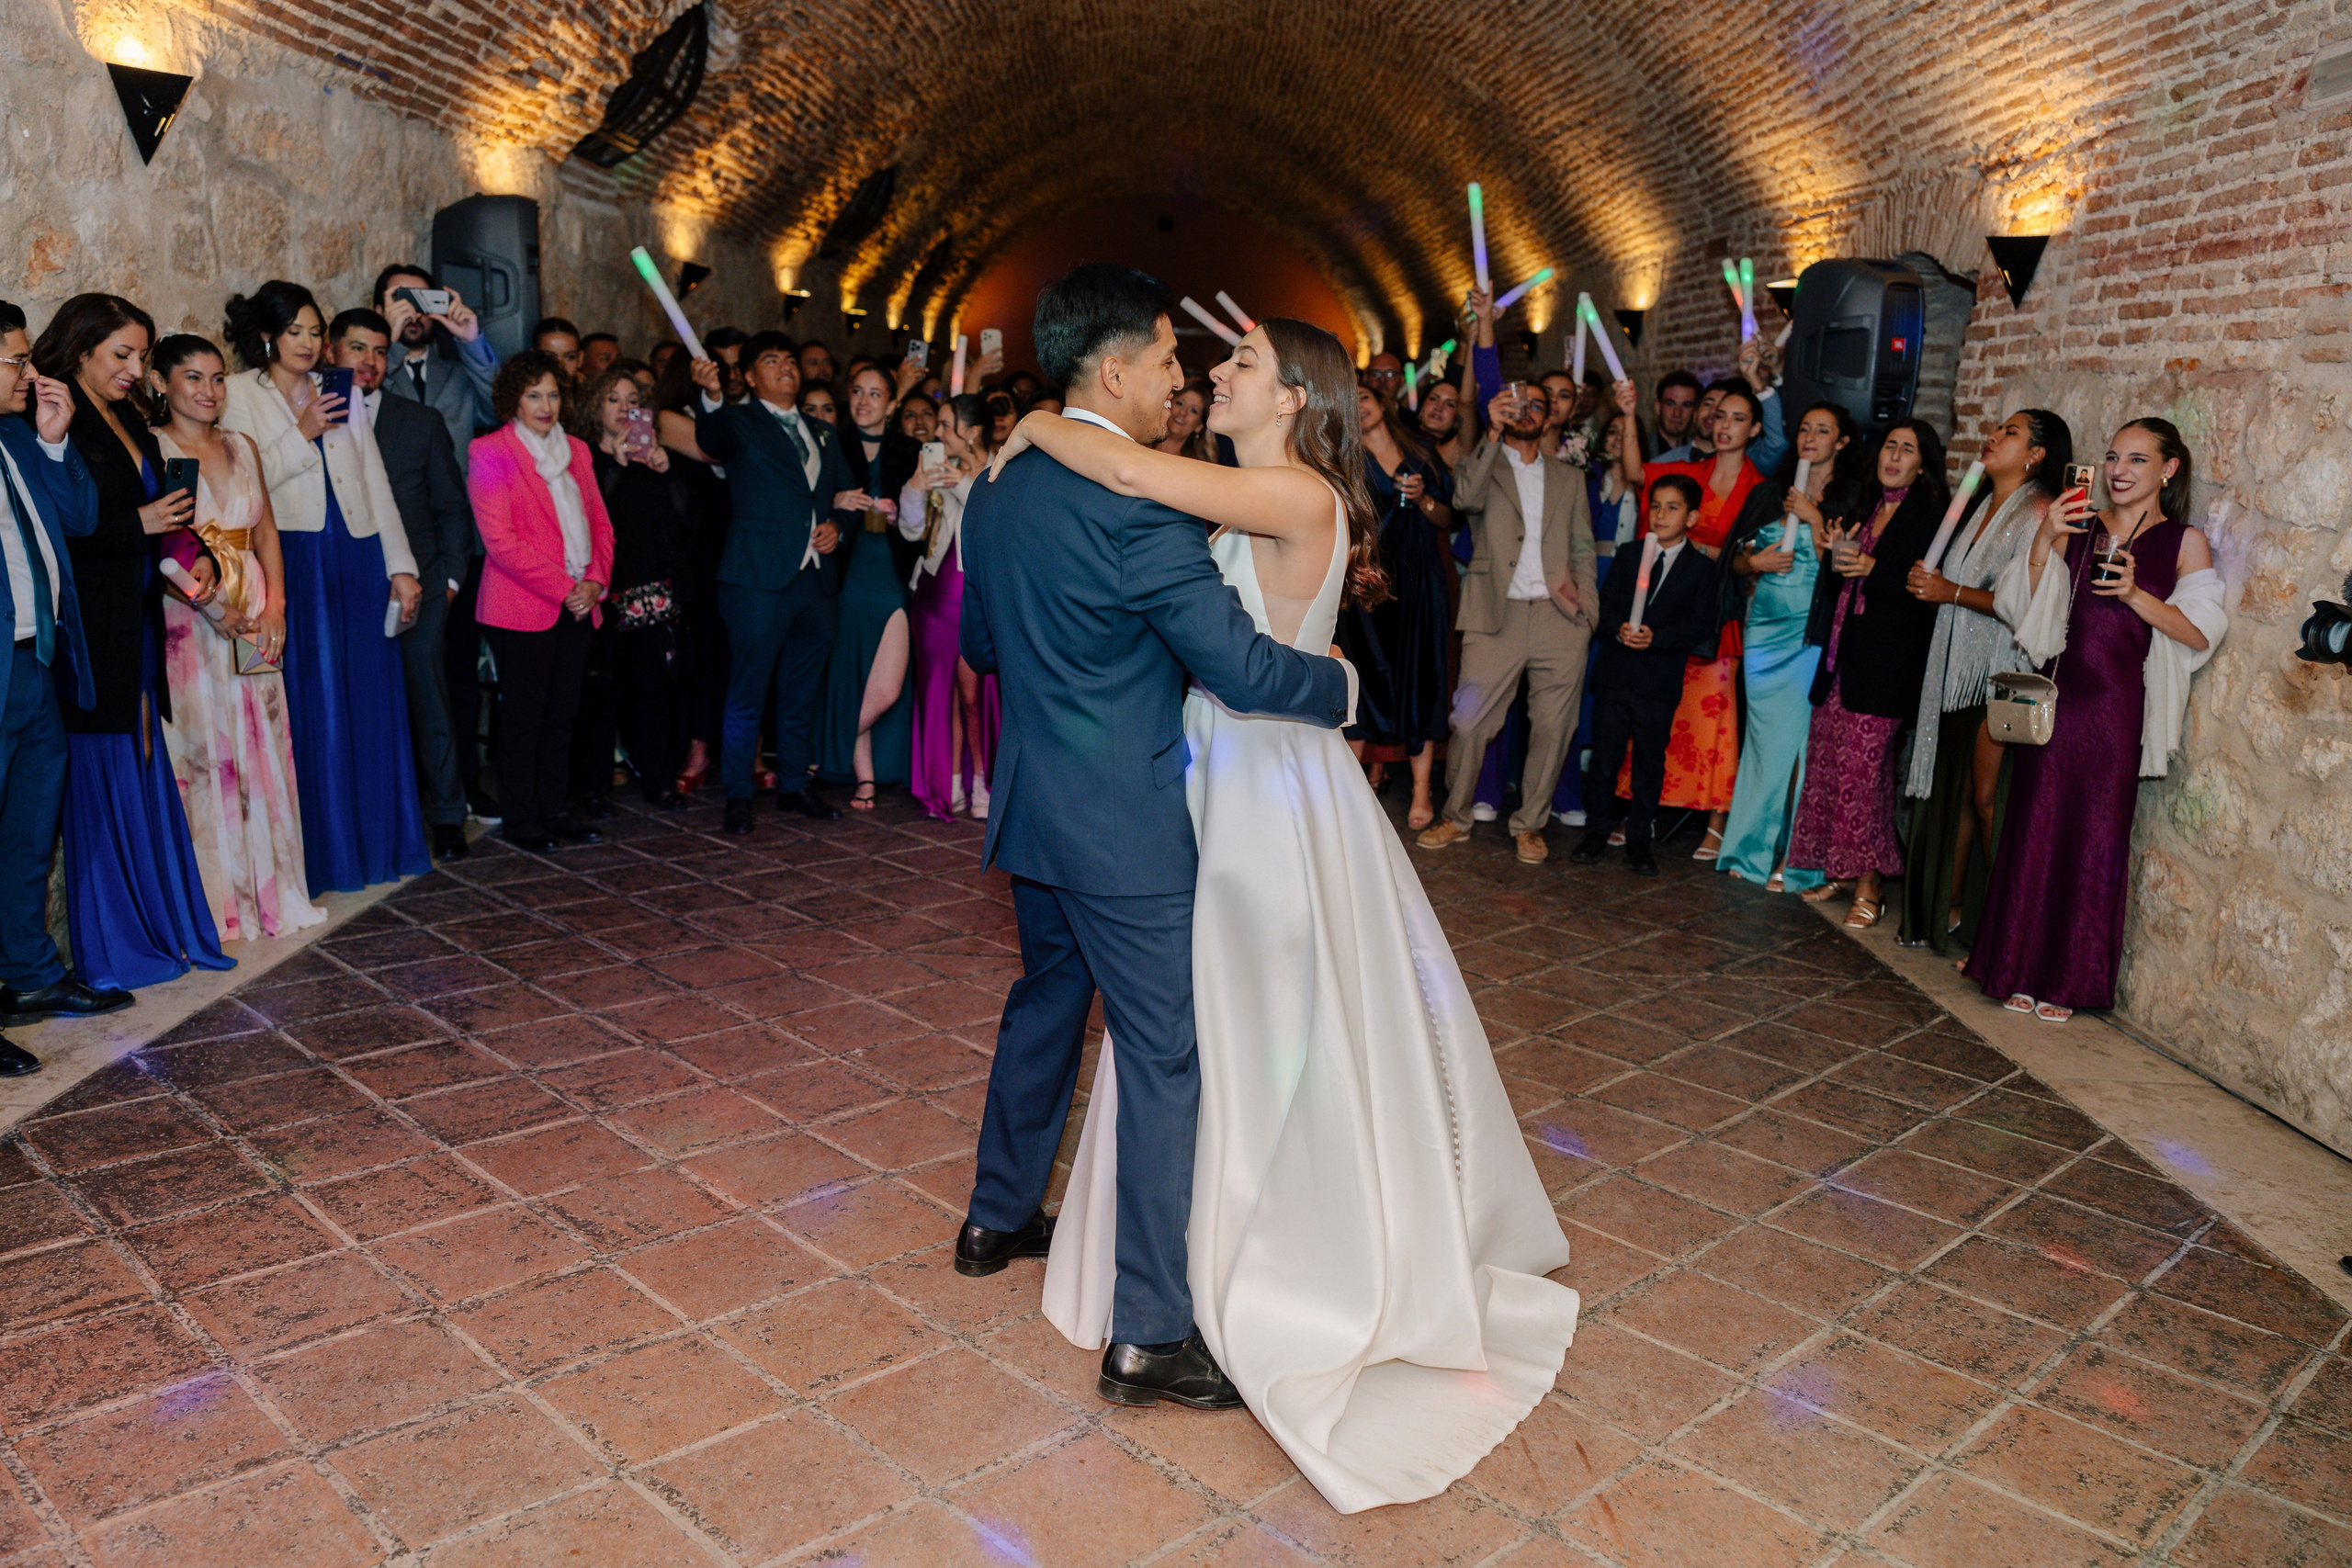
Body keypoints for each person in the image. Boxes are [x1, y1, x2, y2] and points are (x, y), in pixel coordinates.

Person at [983, 276, 1575, 1513]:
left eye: (1238, 364)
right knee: (1192, 1034)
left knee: (1241, 1018)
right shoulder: (1190, 483)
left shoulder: (1270, 490)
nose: (1202, 380)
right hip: (1194, 783)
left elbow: (1134, 526)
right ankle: (1169, 1290)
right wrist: (1059, 424)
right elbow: (1186, 587)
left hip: (1256, 789)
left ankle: (1257, 1252)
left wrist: (1041, 428)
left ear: (1294, 395)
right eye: (1182, 362)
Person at [1967, 419, 2223, 1021]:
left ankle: (2069, 981)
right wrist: (2043, 539)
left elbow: (2200, 632)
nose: (2119, 470)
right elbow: (2019, 606)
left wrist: (2136, 594)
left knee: (2094, 843)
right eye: (2112, 457)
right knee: (2031, 830)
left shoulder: (2185, 542)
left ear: (2168, 469)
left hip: (2114, 711)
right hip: (2056, 702)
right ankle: (2014, 969)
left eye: (2137, 459)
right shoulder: (2077, 522)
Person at [39, 294, 232, 989]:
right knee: (103, 773)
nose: (134, 368)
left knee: (143, 758)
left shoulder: (129, 419)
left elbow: (162, 513)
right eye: (122, 353)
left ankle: (162, 925)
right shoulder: (54, 425)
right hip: (89, 627)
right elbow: (64, 535)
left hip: (139, 617)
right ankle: (118, 944)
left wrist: (193, 550)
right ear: (81, 348)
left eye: (141, 355)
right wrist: (144, 525)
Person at [222, 280, 429, 895]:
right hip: (293, 555)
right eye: (296, 332)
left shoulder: (342, 387)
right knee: (310, 701)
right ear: (267, 337)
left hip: (358, 552)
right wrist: (302, 431)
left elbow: (373, 476)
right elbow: (241, 480)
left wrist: (402, 564)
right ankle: (323, 854)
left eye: (316, 332)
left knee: (368, 697)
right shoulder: (237, 395)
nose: (310, 343)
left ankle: (377, 843)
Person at [151, 334, 322, 939]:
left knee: (264, 744)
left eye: (218, 378)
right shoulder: (155, 450)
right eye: (193, 378)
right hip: (192, 619)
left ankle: (273, 889)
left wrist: (275, 606)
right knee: (209, 754)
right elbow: (160, 551)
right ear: (160, 383)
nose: (208, 390)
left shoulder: (241, 444)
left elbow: (268, 533)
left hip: (253, 611)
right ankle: (222, 901)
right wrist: (209, 605)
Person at [0, 299, 124, 1071]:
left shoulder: (19, 434)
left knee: (26, 833)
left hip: (36, 661)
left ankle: (31, 976)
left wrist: (52, 441)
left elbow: (80, 516)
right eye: (16, 360)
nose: (30, 371)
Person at [1898, 410, 2071, 948]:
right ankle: (1949, 912)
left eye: (2011, 432)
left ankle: (2004, 929)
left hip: (2005, 671)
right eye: (1996, 429)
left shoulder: (2041, 511)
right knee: (1957, 794)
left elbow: (2032, 607)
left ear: (2038, 454)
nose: (1993, 437)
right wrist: (1931, 586)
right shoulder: (1976, 510)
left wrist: (1947, 591)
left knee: (1989, 797)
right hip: (1955, 668)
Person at [692, 332, 875, 830]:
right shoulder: (739, 421)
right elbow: (711, 440)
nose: (787, 368)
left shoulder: (822, 431)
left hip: (815, 583)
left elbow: (846, 495)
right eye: (772, 361)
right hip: (757, 578)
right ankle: (737, 793)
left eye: (791, 360)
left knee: (801, 692)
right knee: (748, 690)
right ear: (750, 377)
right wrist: (710, 397)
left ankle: (794, 786)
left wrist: (840, 527)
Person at [1419, 376, 1599, 863]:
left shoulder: (1568, 477)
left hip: (1559, 620)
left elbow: (1583, 547)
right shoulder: (1484, 463)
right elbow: (1463, 500)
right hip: (1493, 616)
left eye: (1537, 406)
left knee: (1554, 727)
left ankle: (1531, 824)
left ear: (1549, 418)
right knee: (1470, 722)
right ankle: (1455, 817)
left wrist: (1587, 613)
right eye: (1518, 403)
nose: (1528, 411)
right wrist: (1491, 433)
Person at [1785, 419, 1950, 927]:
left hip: (1885, 669)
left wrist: (1872, 571)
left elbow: (1926, 596)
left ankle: (1870, 884)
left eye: (1908, 449)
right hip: (1841, 660)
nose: (1894, 456)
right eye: (1890, 447)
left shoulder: (1930, 517)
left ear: (1923, 463)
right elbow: (1843, 577)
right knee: (1831, 769)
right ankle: (1839, 869)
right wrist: (1834, 551)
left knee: (1865, 776)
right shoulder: (1867, 506)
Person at [329, 310, 473, 862]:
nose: (368, 362)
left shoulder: (420, 421)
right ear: (332, 354)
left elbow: (451, 508)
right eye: (357, 349)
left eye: (378, 351)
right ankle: (370, 816)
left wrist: (452, 579)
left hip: (424, 586)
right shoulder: (313, 418)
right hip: (347, 586)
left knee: (428, 700)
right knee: (358, 703)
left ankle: (446, 816)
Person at [466, 351, 615, 852]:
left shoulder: (579, 450)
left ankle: (554, 810)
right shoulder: (489, 452)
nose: (545, 405)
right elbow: (500, 542)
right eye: (534, 395)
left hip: (579, 603)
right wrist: (567, 589)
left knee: (563, 714)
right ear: (513, 400)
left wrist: (595, 581)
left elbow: (602, 527)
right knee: (524, 716)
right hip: (521, 607)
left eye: (552, 394)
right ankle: (521, 818)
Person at [1611, 378, 1766, 858]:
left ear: (1754, 429)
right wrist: (1630, 414)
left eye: (1737, 419)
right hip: (1661, 610)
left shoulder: (1759, 488)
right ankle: (1643, 812)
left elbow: (1753, 555)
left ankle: (1716, 821)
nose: (1725, 426)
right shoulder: (1685, 470)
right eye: (1719, 416)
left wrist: (1713, 553)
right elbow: (1637, 472)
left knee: (1712, 724)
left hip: (1717, 617)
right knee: (1656, 718)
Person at [1713, 402, 1860, 890]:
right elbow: (1732, 561)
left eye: (1822, 430)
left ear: (1841, 442)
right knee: (1761, 745)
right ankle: (1748, 849)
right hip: (1764, 633)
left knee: (1800, 747)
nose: (1809, 437)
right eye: (1803, 428)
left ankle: (1794, 860)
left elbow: (1848, 570)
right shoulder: (1768, 492)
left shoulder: (1852, 498)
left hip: (1811, 633)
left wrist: (1815, 520)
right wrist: (1754, 563)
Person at [376, 264, 498, 821]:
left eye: (419, 298)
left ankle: (465, 785)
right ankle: (415, 793)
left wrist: (471, 340)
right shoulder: (375, 370)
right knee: (405, 681)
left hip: (459, 544)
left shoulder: (455, 375)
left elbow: (500, 412)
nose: (413, 310)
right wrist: (390, 342)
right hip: (398, 545)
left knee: (457, 673)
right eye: (398, 299)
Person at [1571, 474, 1722, 875]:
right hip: (1617, 673)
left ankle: (1639, 839)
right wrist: (1618, 626)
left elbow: (1701, 625)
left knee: (1649, 764)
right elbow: (1607, 606)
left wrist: (1658, 637)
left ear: (1691, 517)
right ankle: (1596, 832)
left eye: (1672, 508)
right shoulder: (1628, 554)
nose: (1660, 514)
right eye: (1655, 505)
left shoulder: (1701, 569)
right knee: (1604, 759)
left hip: (1658, 680)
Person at [570, 367, 688, 811]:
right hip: (605, 594)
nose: (624, 408)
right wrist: (617, 466)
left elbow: (684, 519)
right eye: (613, 399)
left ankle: (658, 782)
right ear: (595, 408)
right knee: (601, 696)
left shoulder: (650, 457)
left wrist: (665, 468)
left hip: (652, 593)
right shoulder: (582, 456)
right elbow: (585, 516)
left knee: (654, 691)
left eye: (632, 400)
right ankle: (595, 788)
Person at [1338, 381, 1453, 829]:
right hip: (1370, 583)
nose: (1360, 406)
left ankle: (1422, 791)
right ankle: (1353, 791)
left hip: (1421, 582)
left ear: (1382, 402)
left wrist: (1424, 497)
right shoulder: (1346, 457)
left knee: (1422, 679)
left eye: (1364, 397)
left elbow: (1447, 516)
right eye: (1352, 401)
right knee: (1364, 679)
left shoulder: (1422, 449)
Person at [819, 366, 923, 806]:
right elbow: (803, 500)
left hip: (893, 576)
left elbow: (929, 519)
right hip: (846, 576)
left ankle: (825, 746)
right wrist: (836, 501)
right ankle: (863, 777)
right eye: (857, 391)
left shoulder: (913, 449)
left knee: (887, 689)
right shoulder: (830, 444)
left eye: (876, 393)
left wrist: (907, 517)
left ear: (892, 403)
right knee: (853, 675)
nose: (864, 401)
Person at [899, 393, 1001, 820]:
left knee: (974, 693)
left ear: (971, 431)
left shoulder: (1005, 467)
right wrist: (915, 488)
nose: (936, 434)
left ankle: (984, 779)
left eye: (945, 425)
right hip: (936, 595)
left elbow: (989, 514)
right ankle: (948, 783)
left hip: (980, 595)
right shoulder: (936, 469)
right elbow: (911, 530)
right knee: (938, 690)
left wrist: (956, 482)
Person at [1154, 379, 1214, 459]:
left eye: (1193, 411)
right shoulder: (1138, 442)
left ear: (1199, 426)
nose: (1183, 412)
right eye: (1179, 403)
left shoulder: (1197, 466)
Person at [532, 317, 583, 384]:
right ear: (533, 358)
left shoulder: (592, 392)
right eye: (550, 358)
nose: (560, 366)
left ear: (580, 359)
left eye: (570, 357)